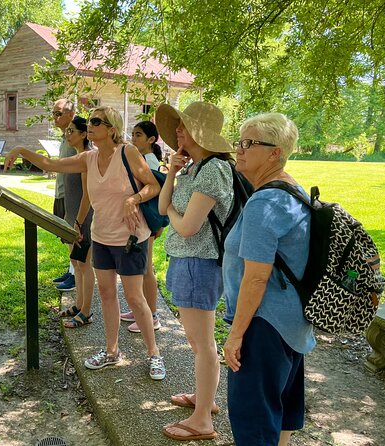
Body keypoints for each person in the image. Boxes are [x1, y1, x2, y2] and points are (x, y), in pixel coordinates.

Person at [4, 106, 166, 380]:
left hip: (129, 239)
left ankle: (154, 354)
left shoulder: (127, 153)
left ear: (112, 129)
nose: (89, 125)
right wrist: (20, 149)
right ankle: (112, 351)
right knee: (106, 295)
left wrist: (133, 199)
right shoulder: (88, 158)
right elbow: (51, 165)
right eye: (89, 121)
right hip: (101, 237)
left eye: (96, 121)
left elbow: (153, 185)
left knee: (135, 299)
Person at [222, 113, 314, 445]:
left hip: (263, 326)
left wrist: (235, 336)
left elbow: (256, 279)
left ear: (274, 152)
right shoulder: (292, 189)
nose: (239, 149)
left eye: (250, 143)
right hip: (291, 323)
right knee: (280, 415)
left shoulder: (265, 202)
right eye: (240, 141)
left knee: (254, 423)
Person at [156, 102, 235, 441]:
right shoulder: (194, 168)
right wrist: (172, 172)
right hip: (185, 261)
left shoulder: (214, 169)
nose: (177, 132)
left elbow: (187, 227)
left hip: (199, 263)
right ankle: (204, 399)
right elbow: (162, 207)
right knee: (195, 340)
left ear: (199, 133)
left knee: (203, 343)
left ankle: (203, 418)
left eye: (183, 127)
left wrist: (173, 214)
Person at [13, 116, 96, 328]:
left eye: (71, 131)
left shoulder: (86, 158)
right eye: (66, 131)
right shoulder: (77, 156)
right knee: (76, 264)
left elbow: (87, 196)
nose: (67, 134)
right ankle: (78, 305)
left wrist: (78, 224)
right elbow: (50, 164)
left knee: (85, 265)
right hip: (72, 219)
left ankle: (86, 311)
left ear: (84, 135)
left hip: (83, 220)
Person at [119, 121, 164, 333]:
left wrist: (158, 225)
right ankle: (139, 310)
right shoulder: (139, 158)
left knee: (146, 269)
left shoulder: (150, 162)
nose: (133, 138)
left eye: (138, 135)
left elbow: (155, 194)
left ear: (151, 139)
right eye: (133, 134)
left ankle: (152, 315)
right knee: (139, 268)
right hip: (139, 222)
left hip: (147, 222)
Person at [51, 98, 78, 292]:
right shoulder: (64, 137)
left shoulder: (76, 137)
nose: (55, 117)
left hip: (72, 196)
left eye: (59, 113)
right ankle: (71, 270)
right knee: (67, 237)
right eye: (53, 113)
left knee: (74, 235)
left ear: (71, 115)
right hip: (61, 193)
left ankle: (76, 275)